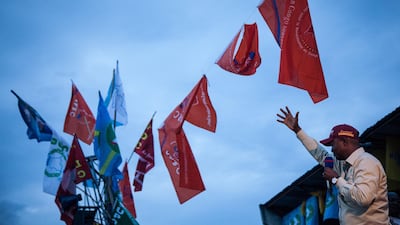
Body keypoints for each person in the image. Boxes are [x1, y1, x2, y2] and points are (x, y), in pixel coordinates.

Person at [276, 106, 391, 225]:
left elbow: (363, 198)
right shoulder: (343, 164)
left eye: (333, 144)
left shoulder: (367, 162)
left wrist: (336, 180)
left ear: (345, 142)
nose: (331, 149)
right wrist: (298, 130)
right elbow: (319, 153)